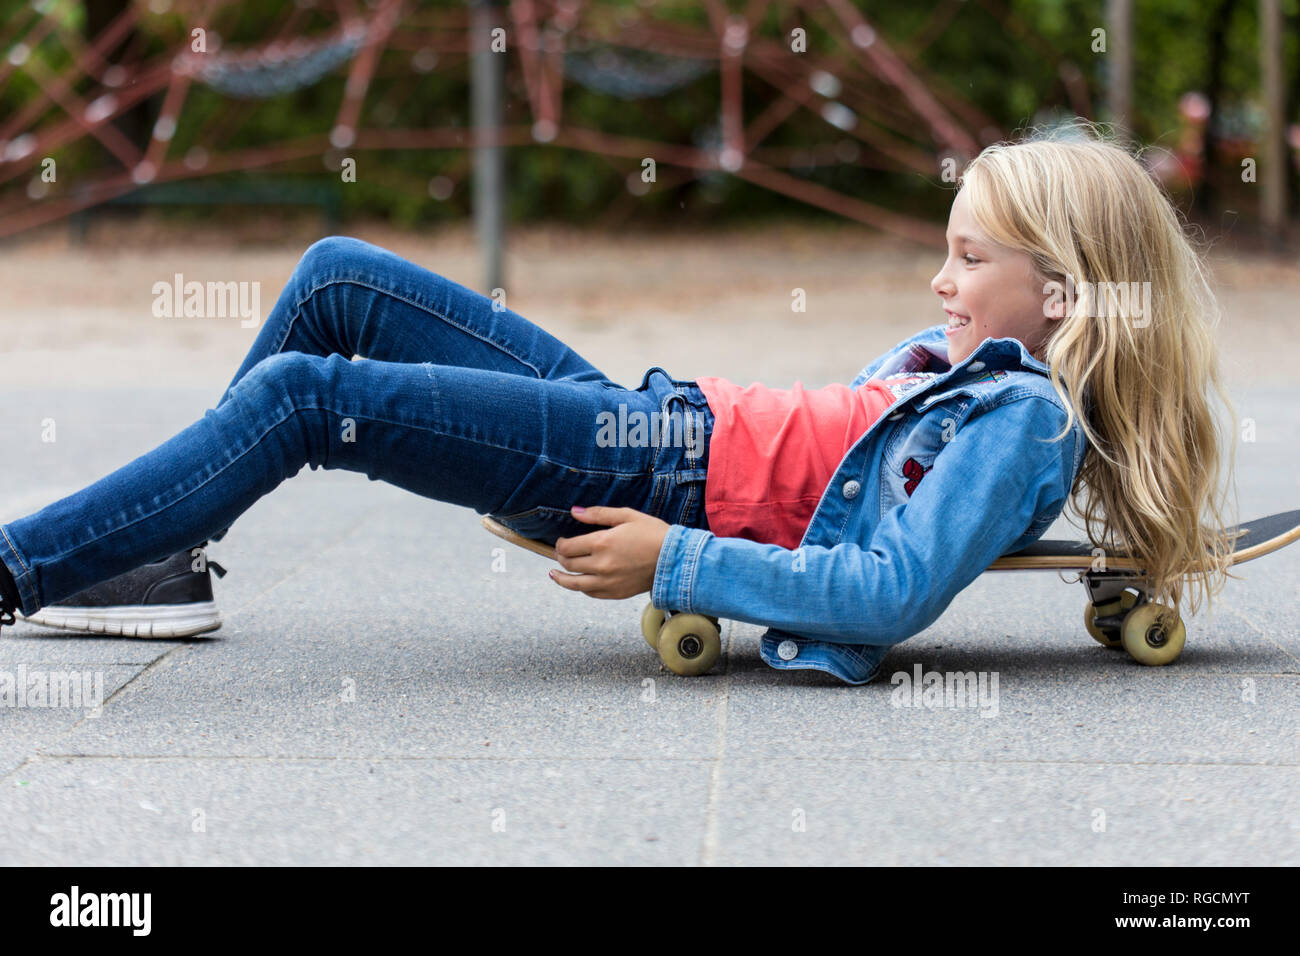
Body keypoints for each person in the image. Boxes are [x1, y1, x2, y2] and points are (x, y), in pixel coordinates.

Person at [0, 124, 1236, 684]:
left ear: (1063, 296)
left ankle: (17, 567)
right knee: (339, 279)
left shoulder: (1020, 422)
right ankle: (159, 560)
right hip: (653, 422)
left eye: (969, 259)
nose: (937, 278)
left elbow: (892, 590)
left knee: (308, 400)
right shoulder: (977, 361)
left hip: (651, 476)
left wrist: (677, 559)